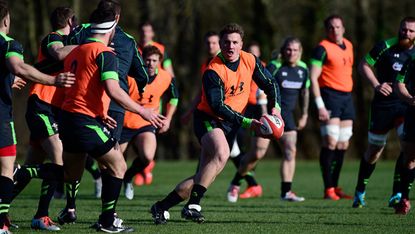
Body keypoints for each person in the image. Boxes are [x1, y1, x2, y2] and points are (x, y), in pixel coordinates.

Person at [150, 23, 281, 224]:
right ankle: (193, 206)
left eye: (235, 42)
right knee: (222, 154)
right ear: (220, 44)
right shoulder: (213, 70)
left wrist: (276, 109)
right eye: (226, 42)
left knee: (203, 177)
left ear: (241, 44)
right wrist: (248, 123)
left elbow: (270, 84)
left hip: (231, 125)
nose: (231, 46)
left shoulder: (250, 60)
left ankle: (162, 206)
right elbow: (218, 106)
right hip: (209, 120)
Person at [57, 7, 164, 233]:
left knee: (71, 173)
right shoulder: (105, 53)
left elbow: (84, 87)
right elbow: (114, 91)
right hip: (83, 120)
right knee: (118, 165)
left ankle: (24, 174)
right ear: (114, 25)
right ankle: (107, 221)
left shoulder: (77, 50)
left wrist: (100, 112)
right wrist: (144, 111)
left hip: (67, 118)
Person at [0, 1, 75, 233]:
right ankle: (41, 214)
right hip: (42, 104)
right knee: (59, 161)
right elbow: (55, 53)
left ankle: (4, 211)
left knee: (34, 163)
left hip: (51, 108)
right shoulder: (54, 38)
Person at [227, 38, 309, 203]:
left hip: (288, 117)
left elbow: (304, 92)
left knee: (290, 151)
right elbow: (261, 90)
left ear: (300, 52)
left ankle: (286, 192)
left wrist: (305, 114)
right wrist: (265, 115)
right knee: (257, 153)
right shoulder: (274, 66)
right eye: (288, 49)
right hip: (268, 115)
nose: (291, 53)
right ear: (283, 50)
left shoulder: (303, 69)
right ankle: (235, 183)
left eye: (294, 50)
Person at [352, 17, 415, 208]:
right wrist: (376, 85)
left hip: (406, 106)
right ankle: (360, 192)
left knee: (409, 149)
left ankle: (398, 194)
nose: (407, 33)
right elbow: (363, 64)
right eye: (404, 29)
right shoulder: (385, 46)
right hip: (383, 106)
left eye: (411, 31)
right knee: (374, 150)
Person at [121, 45, 179, 200]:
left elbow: (174, 98)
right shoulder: (129, 75)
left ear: (159, 61)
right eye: (147, 60)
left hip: (146, 123)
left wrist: (168, 118)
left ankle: (129, 177)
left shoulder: (166, 77)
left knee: (147, 156)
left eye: (154, 60)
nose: (151, 63)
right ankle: (107, 191)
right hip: (125, 122)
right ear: (142, 60)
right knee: (117, 164)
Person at [310, 15, 354, 200]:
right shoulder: (321, 48)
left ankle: (335, 187)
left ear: (343, 28)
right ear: (326, 30)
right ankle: (328, 188)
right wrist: (320, 106)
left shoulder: (349, 45)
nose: (335, 30)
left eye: (338, 27)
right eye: (331, 27)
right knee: (330, 142)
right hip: (329, 96)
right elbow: (312, 78)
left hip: (347, 97)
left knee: (343, 143)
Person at [226, 42, 267, 202]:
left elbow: (268, 87)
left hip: (260, 110)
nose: (252, 55)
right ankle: (250, 183)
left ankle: (247, 183)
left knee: (255, 152)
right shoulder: (240, 65)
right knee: (239, 148)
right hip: (243, 109)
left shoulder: (263, 67)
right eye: (250, 52)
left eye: (255, 52)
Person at [394, 32, 415, 215]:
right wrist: (409, 98)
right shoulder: (412, 60)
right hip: (413, 113)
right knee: (409, 158)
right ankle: (405, 198)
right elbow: (399, 83)